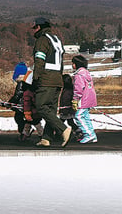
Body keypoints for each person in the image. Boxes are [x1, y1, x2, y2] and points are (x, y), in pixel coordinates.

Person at [31, 17, 70, 147]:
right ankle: (46, 138)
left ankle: (63, 129)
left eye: (35, 27)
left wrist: (36, 78)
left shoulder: (42, 40)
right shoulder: (56, 40)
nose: (34, 30)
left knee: (41, 106)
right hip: (57, 80)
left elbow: (39, 61)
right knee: (51, 110)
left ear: (40, 27)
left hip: (46, 79)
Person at [72, 55, 98, 143]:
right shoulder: (86, 73)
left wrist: (75, 99)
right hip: (89, 99)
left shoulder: (79, 75)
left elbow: (78, 88)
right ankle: (92, 134)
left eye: (73, 63)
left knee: (78, 116)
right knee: (86, 117)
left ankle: (88, 134)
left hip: (83, 100)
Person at [59, 73, 81, 139]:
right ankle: (78, 132)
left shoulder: (67, 91)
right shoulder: (69, 90)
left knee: (60, 123)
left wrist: (63, 109)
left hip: (66, 110)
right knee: (70, 122)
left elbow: (65, 101)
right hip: (67, 110)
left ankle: (62, 133)